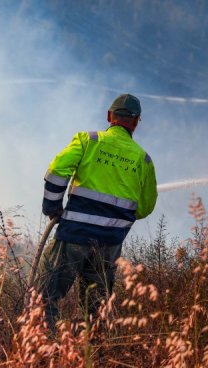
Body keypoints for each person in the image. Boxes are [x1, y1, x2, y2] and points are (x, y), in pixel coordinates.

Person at [36, 93, 157, 330]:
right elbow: (144, 207)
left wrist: (52, 207)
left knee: (44, 298)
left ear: (110, 116)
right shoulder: (144, 161)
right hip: (109, 245)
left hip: (74, 236)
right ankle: (97, 357)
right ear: (135, 122)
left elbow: (56, 173)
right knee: (97, 309)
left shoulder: (88, 140)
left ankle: (43, 356)